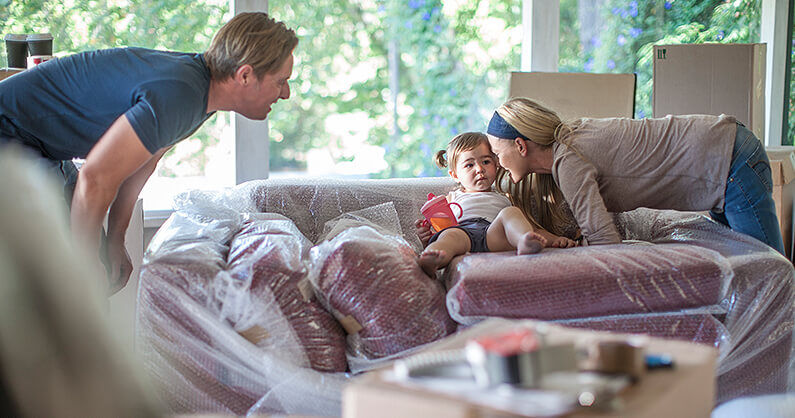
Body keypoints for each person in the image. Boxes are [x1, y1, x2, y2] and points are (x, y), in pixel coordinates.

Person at [0, 12, 298, 293]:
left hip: (39, 144)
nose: (286, 94)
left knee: (94, 268)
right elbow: (94, 177)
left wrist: (116, 238)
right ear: (245, 75)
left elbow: (143, 163)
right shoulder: (180, 95)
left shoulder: (200, 94)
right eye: (281, 81)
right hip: (10, 133)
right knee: (67, 281)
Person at [486, 97, 786, 255]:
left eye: (497, 155)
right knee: (748, 266)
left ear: (521, 146)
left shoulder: (568, 161)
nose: (497, 164)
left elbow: (605, 243)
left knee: (770, 272)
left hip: (730, 158)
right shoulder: (570, 142)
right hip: (724, 153)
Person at [415, 132, 577, 277]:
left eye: (486, 161)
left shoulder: (505, 196)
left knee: (511, 213)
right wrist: (426, 237)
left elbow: (533, 228)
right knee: (449, 236)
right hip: (464, 233)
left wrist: (556, 239)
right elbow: (441, 226)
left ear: (496, 164)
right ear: (455, 175)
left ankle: (524, 242)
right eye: (469, 165)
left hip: (493, 234)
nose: (479, 169)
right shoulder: (451, 198)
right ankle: (432, 258)